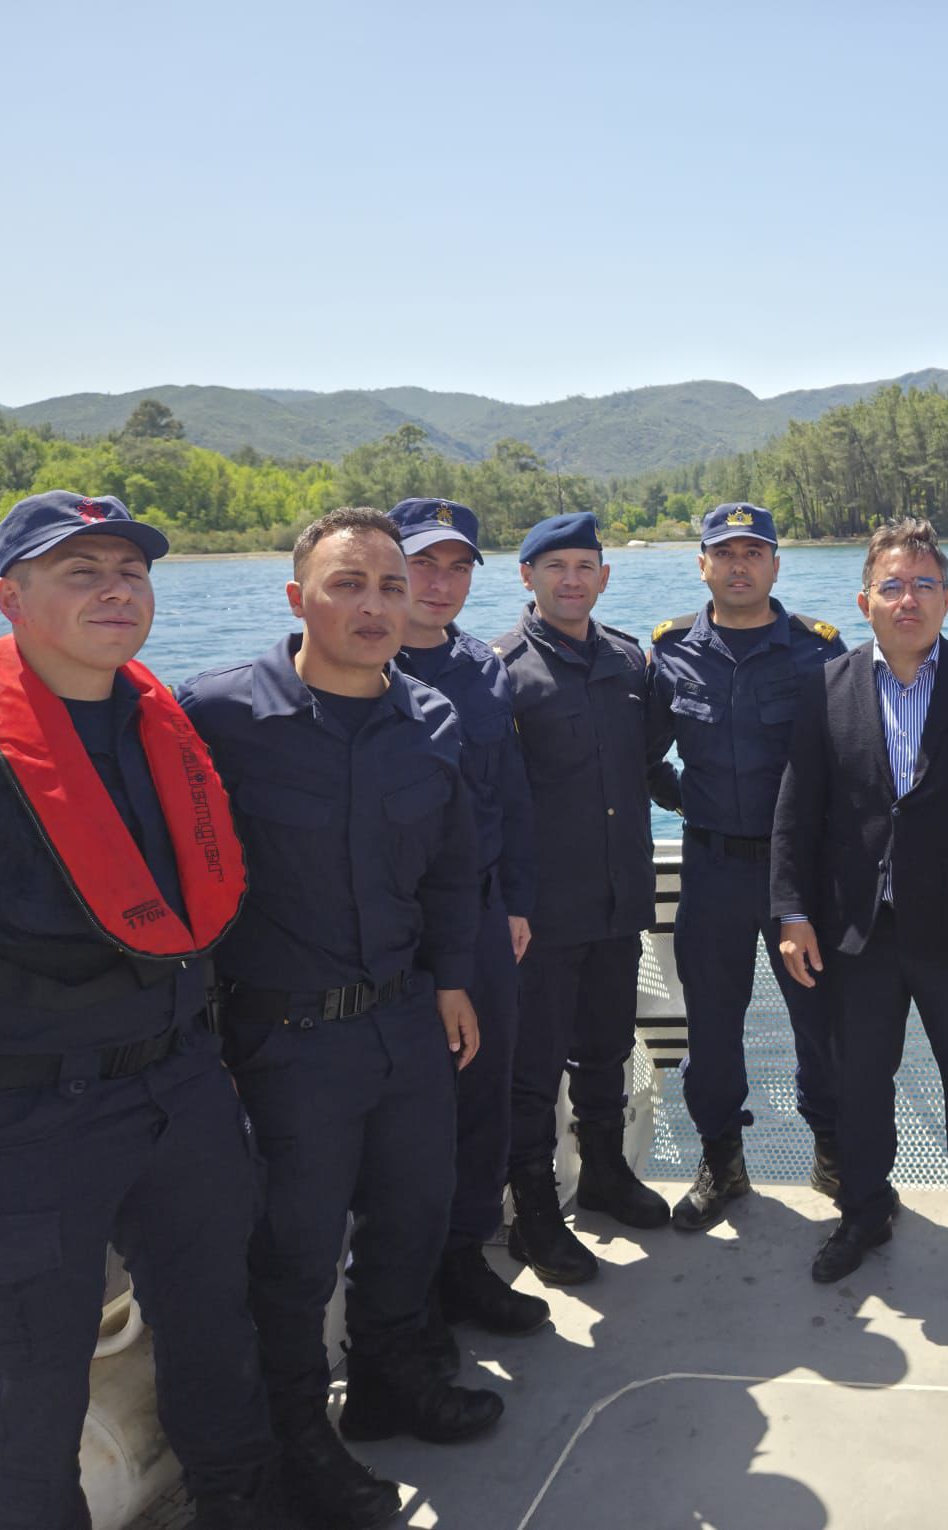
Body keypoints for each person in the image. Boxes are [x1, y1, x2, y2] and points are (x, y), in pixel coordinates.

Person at [0, 492, 280, 1529]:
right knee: (33, 1392)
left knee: (217, 1330)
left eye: (130, 570)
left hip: (181, 1092)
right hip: (23, 1125)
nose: (116, 589)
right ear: (10, 597)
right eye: (80, 572)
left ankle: (240, 1506)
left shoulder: (157, 725)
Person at [180, 508, 502, 1530]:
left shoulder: (432, 721)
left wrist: (454, 978)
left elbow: (455, 872)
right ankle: (295, 1439)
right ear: (296, 598)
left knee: (416, 1212)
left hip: (405, 1023)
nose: (374, 606)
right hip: (285, 1042)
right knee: (296, 1251)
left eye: (390, 588)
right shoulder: (215, 718)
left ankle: (389, 1379)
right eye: (347, 584)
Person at [771, 517, 948, 1292]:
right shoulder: (827, 688)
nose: (908, 599)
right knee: (860, 1085)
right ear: (865, 600)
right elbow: (799, 811)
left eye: (924, 584)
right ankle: (864, 1211)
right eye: (893, 585)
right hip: (857, 931)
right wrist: (792, 912)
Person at [647, 503, 846, 1230]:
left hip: (798, 875)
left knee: (820, 1018)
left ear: (774, 565)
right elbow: (645, 758)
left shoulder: (819, 651)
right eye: (723, 552)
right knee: (713, 1025)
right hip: (712, 869)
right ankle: (722, 1163)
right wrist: (690, 803)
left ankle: (832, 1152)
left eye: (753, 551)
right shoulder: (669, 651)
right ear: (702, 564)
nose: (738, 564)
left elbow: (846, 762)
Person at [386, 498, 550, 1346]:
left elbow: (509, 795)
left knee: (486, 1087)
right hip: (395, 927)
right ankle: (403, 1289)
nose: (439, 583)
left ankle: (464, 1259)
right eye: (423, 564)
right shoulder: (358, 669)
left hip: (484, 913)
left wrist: (517, 901)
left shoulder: (484, 668)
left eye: (456, 567)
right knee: (410, 1105)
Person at [490, 510, 665, 1285]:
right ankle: (534, 1213)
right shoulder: (498, 669)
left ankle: (602, 1174)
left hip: (618, 899)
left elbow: (651, 764)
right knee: (531, 1071)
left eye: (583, 565)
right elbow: (487, 800)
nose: (571, 579)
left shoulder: (632, 663)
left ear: (603, 576)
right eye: (553, 566)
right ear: (526, 576)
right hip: (539, 915)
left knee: (607, 1047)